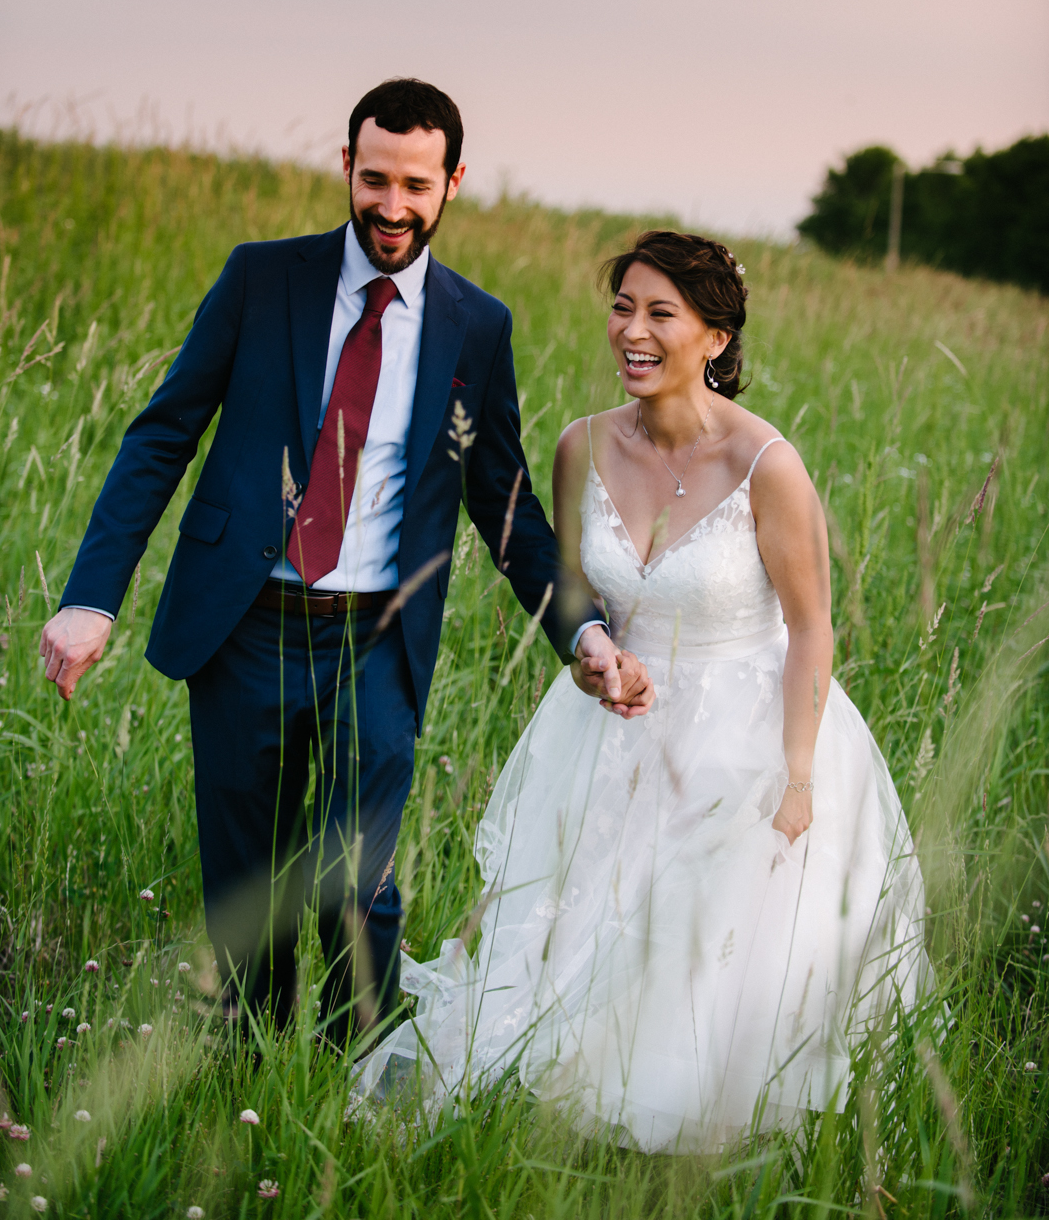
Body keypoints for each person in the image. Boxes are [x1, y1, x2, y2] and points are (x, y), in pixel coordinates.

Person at [38, 78, 653, 1042]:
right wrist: (90, 599)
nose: (392, 207)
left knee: (354, 877)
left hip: (377, 636)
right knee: (246, 879)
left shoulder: (475, 325)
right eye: (375, 180)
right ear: (346, 168)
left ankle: (357, 1062)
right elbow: (163, 435)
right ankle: (249, 1066)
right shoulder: (262, 279)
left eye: (416, 184)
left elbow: (503, 505)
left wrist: (578, 629)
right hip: (247, 624)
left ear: (453, 182)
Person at [355, 230, 930, 1151]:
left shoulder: (766, 466)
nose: (634, 330)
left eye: (663, 313)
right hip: (609, 732)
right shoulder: (579, 445)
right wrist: (594, 659)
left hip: (745, 733)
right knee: (565, 943)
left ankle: (678, 1132)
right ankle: (556, 1100)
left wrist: (795, 779)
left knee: (699, 960)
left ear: (715, 338)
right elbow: (575, 597)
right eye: (623, 306)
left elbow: (812, 628)